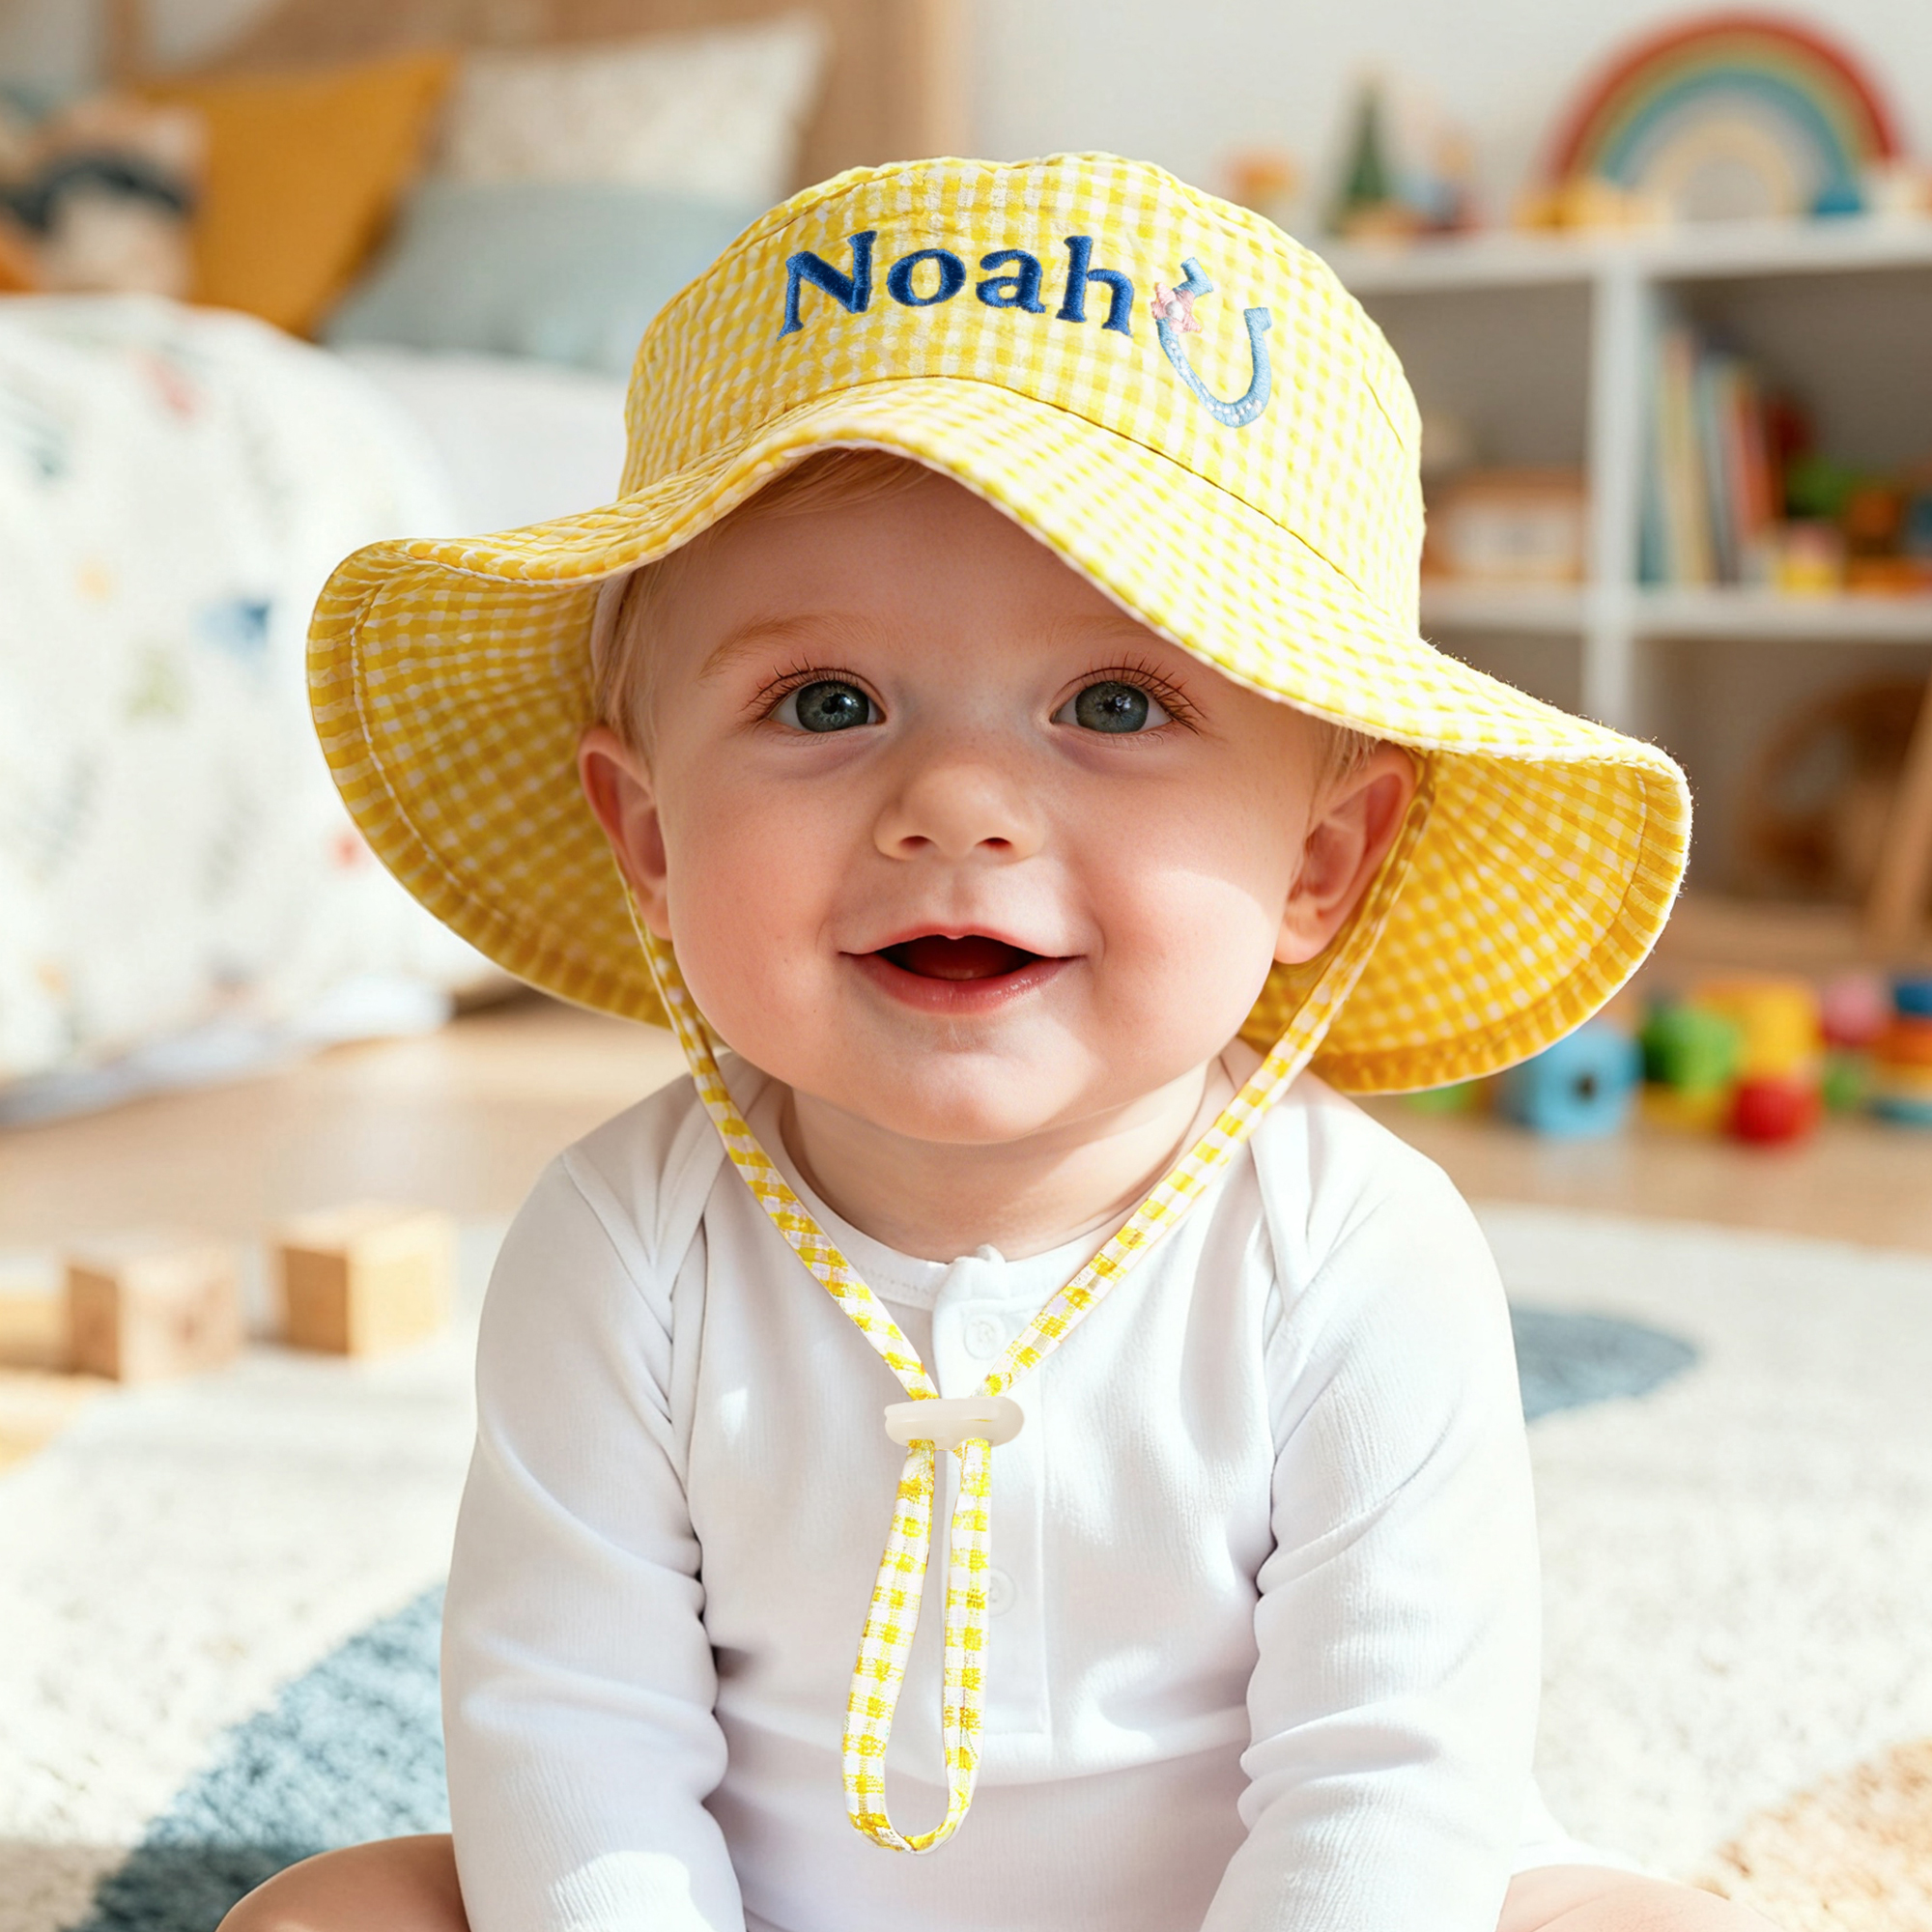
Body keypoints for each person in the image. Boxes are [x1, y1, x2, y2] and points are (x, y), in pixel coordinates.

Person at [224, 155, 1774, 1931]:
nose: (954, 802)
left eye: (1115, 703)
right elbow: (570, 1734)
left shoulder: (1358, 1253)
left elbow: (1387, 1775)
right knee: (323, 1916)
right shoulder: (620, 1243)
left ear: (1321, 864)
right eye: (827, 702)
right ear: (648, 836)